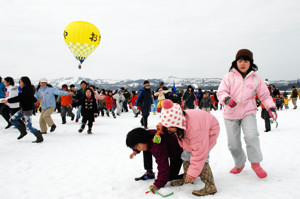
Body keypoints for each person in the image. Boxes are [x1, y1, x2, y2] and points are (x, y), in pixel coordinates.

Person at [217, 49, 277, 179]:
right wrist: (227, 99)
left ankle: (256, 163)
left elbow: (265, 95)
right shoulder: (228, 77)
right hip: (230, 114)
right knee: (233, 144)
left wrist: (271, 107)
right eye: (240, 60)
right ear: (235, 62)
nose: (242, 63)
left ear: (250, 63)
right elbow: (221, 92)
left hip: (248, 111)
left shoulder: (256, 79)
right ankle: (239, 164)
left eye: (246, 60)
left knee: (252, 136)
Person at [160, 99, 219, 196]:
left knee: (201, 158)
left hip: (208, 130)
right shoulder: (176, 117)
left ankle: (210, 186)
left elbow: (199, 154)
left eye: (170, 127)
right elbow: (168, 119)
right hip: (194, 128)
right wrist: (162, 126)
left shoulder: (195, 130)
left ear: (177, 123)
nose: (168, 129)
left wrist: (193, 172)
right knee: (186, 155)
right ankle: (187, 179)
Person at [126, 126, 183, 191]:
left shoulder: (157, 145)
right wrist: (136, 151)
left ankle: (190, 173)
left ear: (143, 139)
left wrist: (158, 184)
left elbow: (163, 165)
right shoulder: (147, 135)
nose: (139, 149)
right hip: (164, 147)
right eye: (136, 148)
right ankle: (149, 172)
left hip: (177, 153)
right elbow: (138, 142)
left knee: (170, 177)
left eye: (138, 147)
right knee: (146, 148)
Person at [4, 76, 43, 143]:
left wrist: (8, 100)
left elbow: (20, 98)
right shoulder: (26, 89)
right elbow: (31, 97)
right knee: (12, 119)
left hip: (27, 110)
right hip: (23, 109)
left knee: (29, 127)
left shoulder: (26, 90)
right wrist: (35, 100)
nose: (20, 83)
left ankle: (39, 136)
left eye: (21, 82)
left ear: (25, 82)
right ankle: (23, 131)